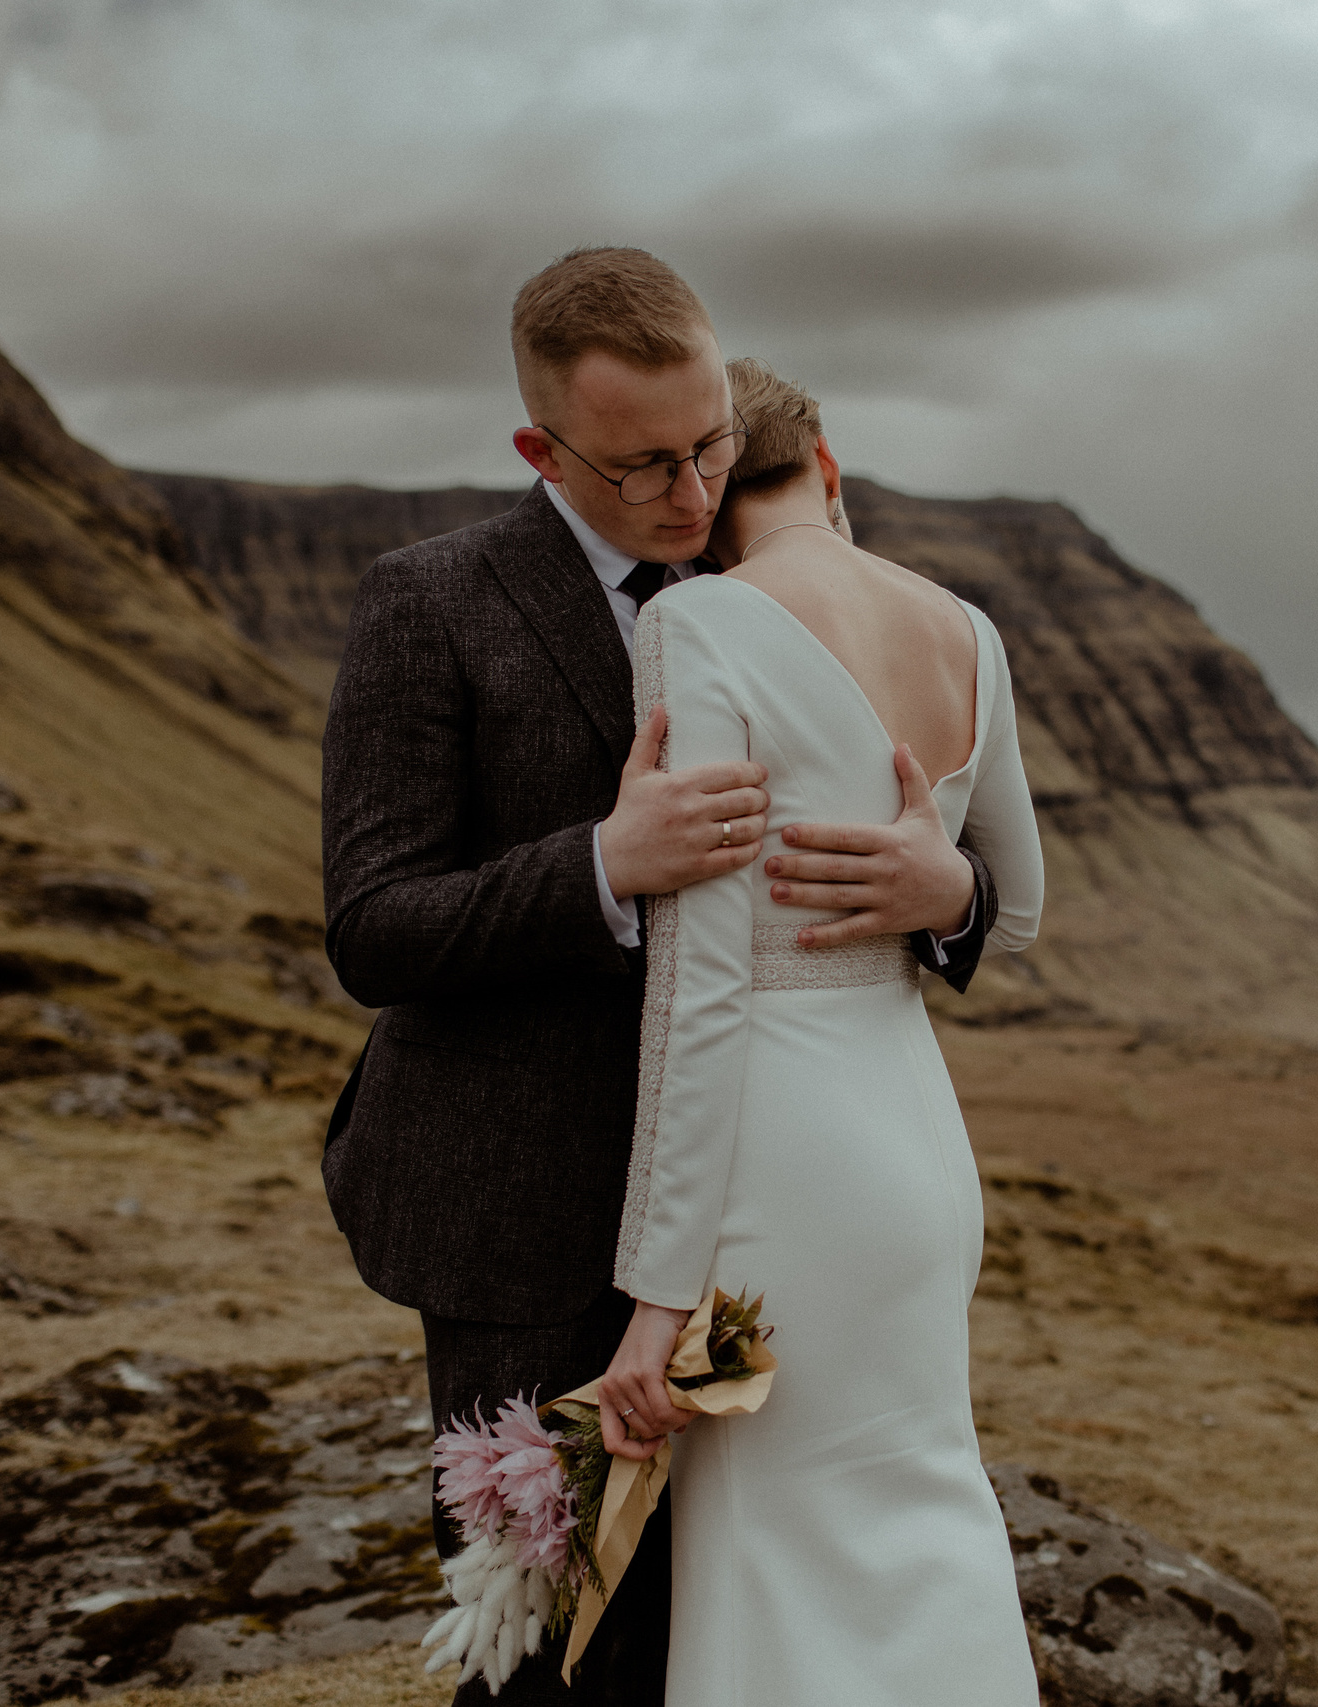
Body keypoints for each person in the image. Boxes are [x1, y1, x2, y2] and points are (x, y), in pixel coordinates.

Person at [318, 248, 1004, 1706]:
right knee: (553, 1649)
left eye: (710, 446)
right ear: (542, 452)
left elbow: (932, 854)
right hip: (521, 1209)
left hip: (762, 1214)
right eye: (643, 467)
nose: (693, 495)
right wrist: (600, 864)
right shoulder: (427, 601)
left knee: (735, 1621)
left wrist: (951, 897)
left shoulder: (771, 589)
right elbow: (373, 926)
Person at [597, 358, 1045, 1706]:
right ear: (828, 467)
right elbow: (1013, 909)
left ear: (706, 495)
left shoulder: (698, 622)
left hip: (782, 1166)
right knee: (924, 1506)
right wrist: (944, 888)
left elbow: (699, 987)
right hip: (913, 1138)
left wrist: (655, 1301)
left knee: (780, 1551)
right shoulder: (965, 628)